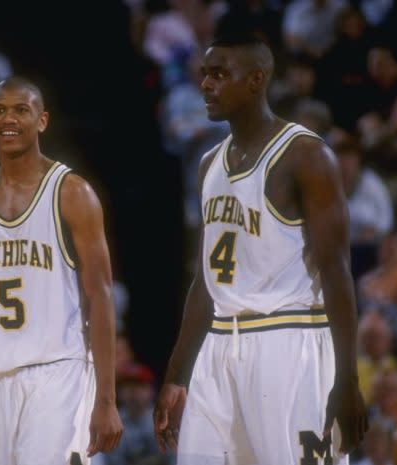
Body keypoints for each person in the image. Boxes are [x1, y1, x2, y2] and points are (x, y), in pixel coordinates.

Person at [152, 32, 368, 464]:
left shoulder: (305, 156)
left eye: (219, 74)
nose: (206, 85)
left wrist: (347, 378)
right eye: (204, 74)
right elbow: (205, 279)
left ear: (256, 80)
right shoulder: (208, 163)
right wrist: (177, 373)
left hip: (288, 341)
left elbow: (337, 271)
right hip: (219, 348)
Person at [0, 76, 123, 464]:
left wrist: (106, 399)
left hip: (58, 375)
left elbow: (101, 297)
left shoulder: (73, 193)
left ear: (42, 120)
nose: (9, 119)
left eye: (21, 110)